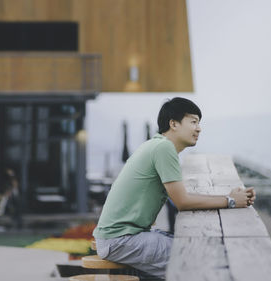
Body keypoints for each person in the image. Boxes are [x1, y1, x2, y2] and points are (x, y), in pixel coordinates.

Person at [92, 97, 256, 280]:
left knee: (194, 250)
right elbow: (183, 202)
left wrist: (228, 196)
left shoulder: (156, 145)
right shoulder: (164, 148)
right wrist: (231, 201)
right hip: (121, 240)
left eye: (199, 123)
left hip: (124, 237)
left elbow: (182, 196)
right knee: (198, 260)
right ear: (174, 124)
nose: (199, 128)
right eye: (193, 121)